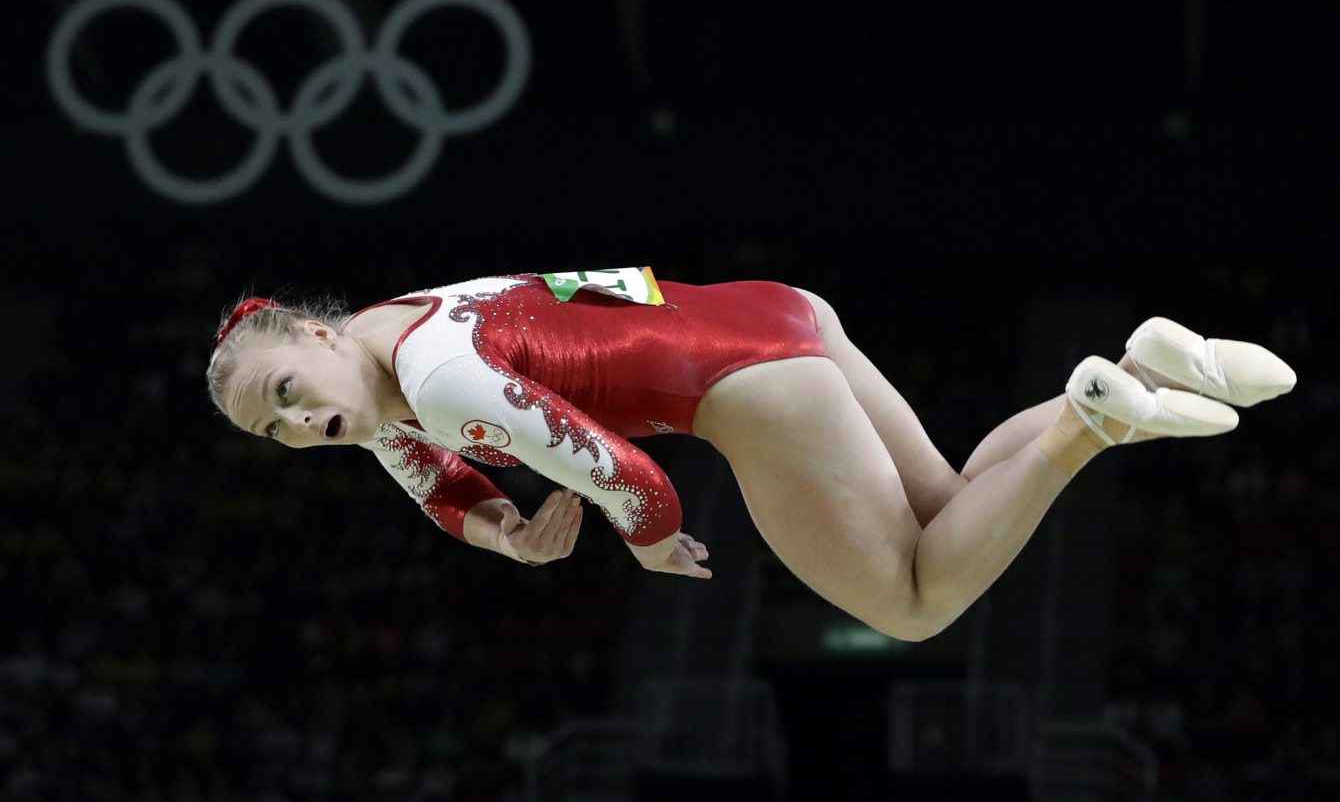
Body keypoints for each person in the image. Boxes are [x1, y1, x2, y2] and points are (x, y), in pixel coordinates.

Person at [205, 268, 1296, 642]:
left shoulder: (436, 377)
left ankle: (1091, 420)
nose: (300, 426)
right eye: (276, 431)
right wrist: (504, 533)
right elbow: (442, 487)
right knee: (958, 500)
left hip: (740, 390)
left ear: (312, 333)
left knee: (913, 600)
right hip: (773, 316)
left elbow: (632, 478)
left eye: (288, 396)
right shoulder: (390, 348)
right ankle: (1141, 372)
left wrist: (649, 544)